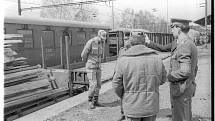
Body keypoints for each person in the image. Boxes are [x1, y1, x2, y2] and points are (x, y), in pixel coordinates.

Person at [146, 18, 198, 121]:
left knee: (180, 117)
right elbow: (194, 68)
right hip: (186, 87)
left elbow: (185, 71)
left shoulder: (183, 45)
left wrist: (168, 77)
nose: (171, 30)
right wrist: (148, 42)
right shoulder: (186, 43)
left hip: (181, 89)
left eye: (172, 27)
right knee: (185, 116)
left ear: (178, 28)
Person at [112, 34, 167, 121]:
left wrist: (125, 95)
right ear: (145, 42)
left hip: (131, 106)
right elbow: (163, 79)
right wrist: (152, 86)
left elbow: (116, 84)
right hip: (151, 106)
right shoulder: (157, 58)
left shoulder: (122, 60)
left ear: (131, 42)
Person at [81, 30, 107, 109]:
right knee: (93, 84)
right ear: (98, 36)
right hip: (91, 67)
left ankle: (96, 101)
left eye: (104, 39)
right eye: (102, 38)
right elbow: (83, 54)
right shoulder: (91, 42)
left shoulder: (101, 43)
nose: (103, 40)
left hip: (98, 67)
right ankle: (90, 101)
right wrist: (88, 62)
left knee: (98, 84)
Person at [116, 37, 131, 121]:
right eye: (124, 39)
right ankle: (122, 113)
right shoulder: (121, 50)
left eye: (127, 39)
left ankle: (130, 112)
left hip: (129, 74)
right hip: (122, 74)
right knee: (122, 94)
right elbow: (118, 61)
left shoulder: (133, 50)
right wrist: (115, 72)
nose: (126, 41)